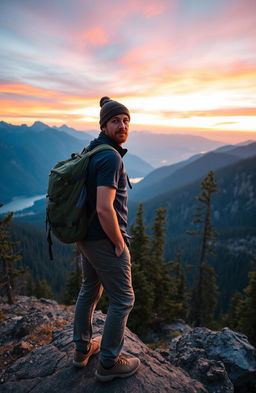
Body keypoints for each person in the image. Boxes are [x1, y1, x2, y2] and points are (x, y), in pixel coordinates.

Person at [72, 96, 140, 382]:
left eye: (126, 120)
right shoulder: (110, 156)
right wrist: (119, 242)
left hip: (85, 236)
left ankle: (82, 350)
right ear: (104, 124)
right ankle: (109, 363)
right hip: (102, 237)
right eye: (116, 120)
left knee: (90, 289)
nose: (122, 125)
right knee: (123, 299)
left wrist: (82, 238)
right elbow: (103, 207)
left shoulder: (93, 149)